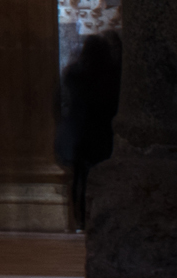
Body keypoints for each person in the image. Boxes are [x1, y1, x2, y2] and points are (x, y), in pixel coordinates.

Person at [54, 28, 121, 230]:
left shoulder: (74, 74)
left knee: (79, 178)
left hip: (79, 133)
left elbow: (60, 103)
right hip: (103, 133)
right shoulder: (112, 76)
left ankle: (80, 217)